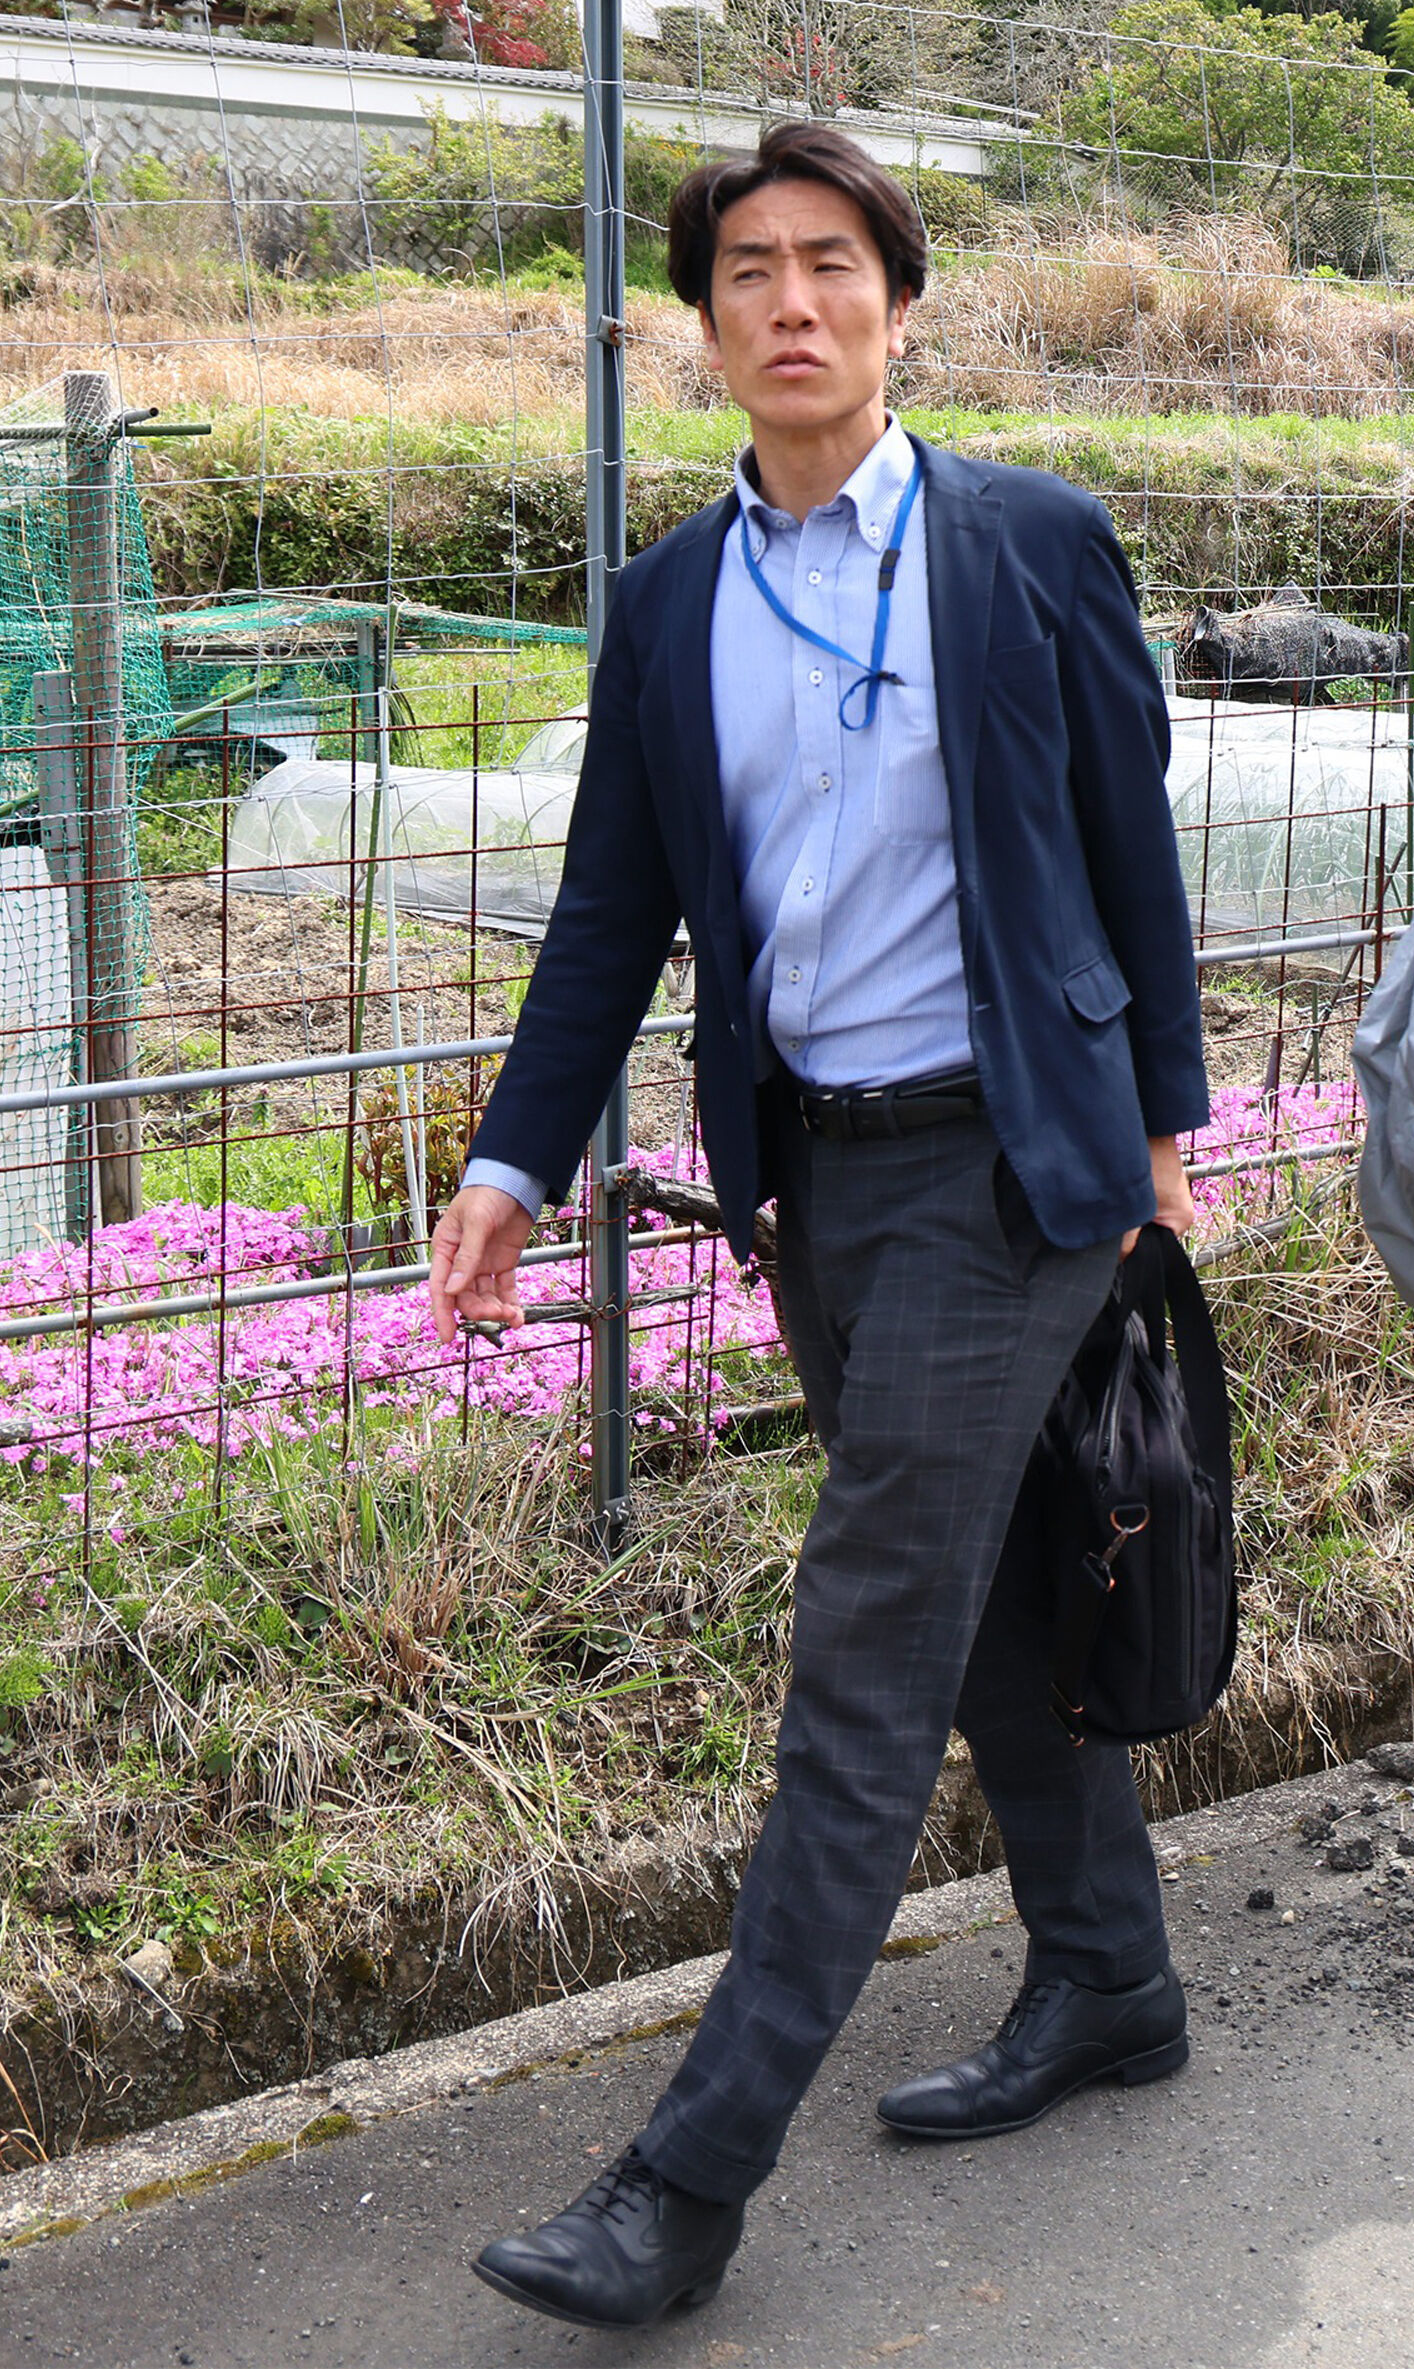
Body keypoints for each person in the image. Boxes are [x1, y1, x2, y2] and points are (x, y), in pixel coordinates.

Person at [434, 124, 1207, 2331]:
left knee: (858, 1652)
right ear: (701, 328)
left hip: (1015, 1163)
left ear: (900, 302)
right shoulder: (670, 600)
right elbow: (612, 918)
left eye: (834, 263)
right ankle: (1109, 1976)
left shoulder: (1028, 543)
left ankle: (685, 2181)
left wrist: (1167, 1117)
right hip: (822, 1181)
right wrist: (513, 1158)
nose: (793, 300)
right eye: (749, 270)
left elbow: (1127, 846)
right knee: (972, 1594)